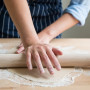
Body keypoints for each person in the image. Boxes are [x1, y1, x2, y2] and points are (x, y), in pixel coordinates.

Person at [0, 0, 90, 75]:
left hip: (51, 20)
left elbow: (80, 5)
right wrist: (31, 41)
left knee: (47, 60)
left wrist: (47, 34)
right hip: (10, 16)